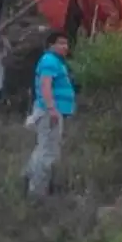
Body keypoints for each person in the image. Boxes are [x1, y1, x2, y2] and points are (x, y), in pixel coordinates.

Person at [24, 31, 75, 198]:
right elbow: (46, 85)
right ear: (50, 45)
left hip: (51, 111)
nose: (65, 47)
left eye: (66, 44)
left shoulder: (56, 62)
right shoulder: (49, 61)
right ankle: (37, 192)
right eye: (60, 43)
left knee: (44, 148)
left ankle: (30, 180)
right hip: (49, 112)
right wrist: (52, 108)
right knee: (48, 151)